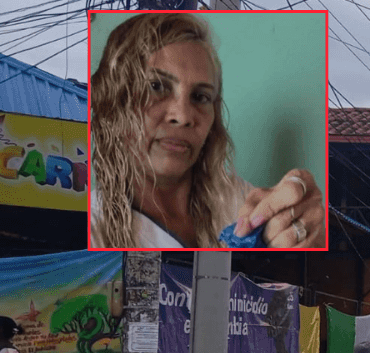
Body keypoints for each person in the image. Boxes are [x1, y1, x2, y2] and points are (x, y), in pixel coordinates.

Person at [89, 13, 324, 248]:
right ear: (115, 99)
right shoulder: (91, 227)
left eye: (200, 97)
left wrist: (300, 221)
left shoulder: (239, 204)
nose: (182, 117)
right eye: (156, 86)